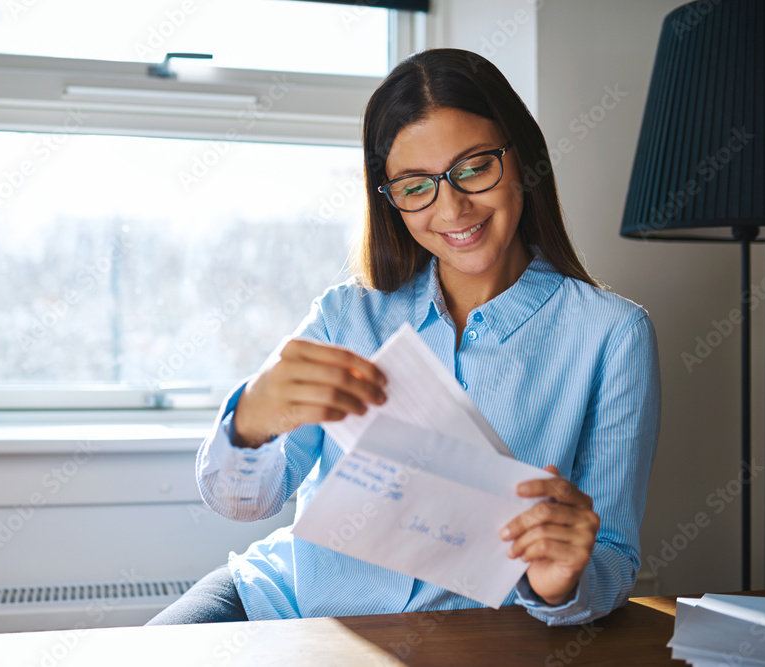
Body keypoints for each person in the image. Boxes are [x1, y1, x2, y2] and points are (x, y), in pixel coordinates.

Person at [146, 48, 661, 627]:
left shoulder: (613, 335)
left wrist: (561, 584)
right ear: (390, 199)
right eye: (416, 186)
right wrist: (249, 423)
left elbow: (614, 556)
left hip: (470, 634)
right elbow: (245, 503)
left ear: (523, 159)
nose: (452, 207)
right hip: (289, 604)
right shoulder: (348, 316)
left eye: (473, 168)